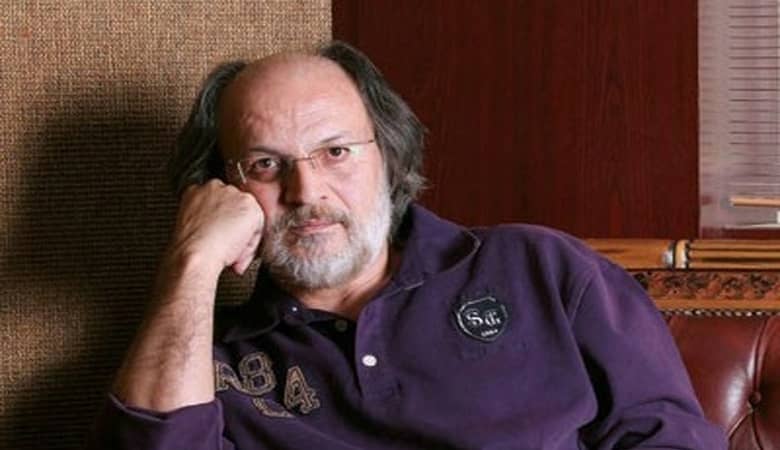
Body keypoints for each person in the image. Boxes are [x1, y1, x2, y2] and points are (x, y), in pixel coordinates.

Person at [89, 41, 727, 449]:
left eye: (335, 152)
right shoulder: (208, 360)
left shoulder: (542, 269)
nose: (306, 190)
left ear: (389, 159)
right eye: (264, 164)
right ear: (220, 189)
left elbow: (670, 439)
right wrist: (193, 261)